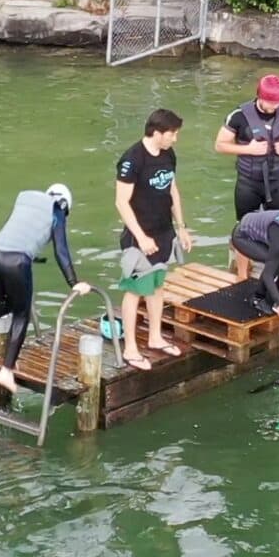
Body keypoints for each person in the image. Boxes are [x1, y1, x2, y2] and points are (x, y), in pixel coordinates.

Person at [0, 184, 90, 398]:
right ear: (65, 205)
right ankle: (7, 370)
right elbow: (61, 251)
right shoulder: (57, 209)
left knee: (4, 304)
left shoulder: (27, 201)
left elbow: (20, 233)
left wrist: (33, 256)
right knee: (22, 314)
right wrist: (74, 282)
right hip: (17, 261)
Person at [112, 110, 192, 371]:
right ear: (157, 133)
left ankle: (155, 336)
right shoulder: (132, 159)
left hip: (164, 231)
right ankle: (131, 348)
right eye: (172, 134)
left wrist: (181, 227)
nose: (175, 139)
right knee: (135, 290)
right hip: (140, 236)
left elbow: (172, 189)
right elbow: (121, 202)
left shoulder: (168, 155)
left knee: (157, 284)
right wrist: (141, 236)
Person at [218, 75, 279, 224]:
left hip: (277, 182)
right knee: (245, 226)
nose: (275, 107)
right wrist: (249, 149)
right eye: (271, 103)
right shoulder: (238, 116)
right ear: (260, 96)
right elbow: (220, 145)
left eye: (278, 102)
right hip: (248, 183)